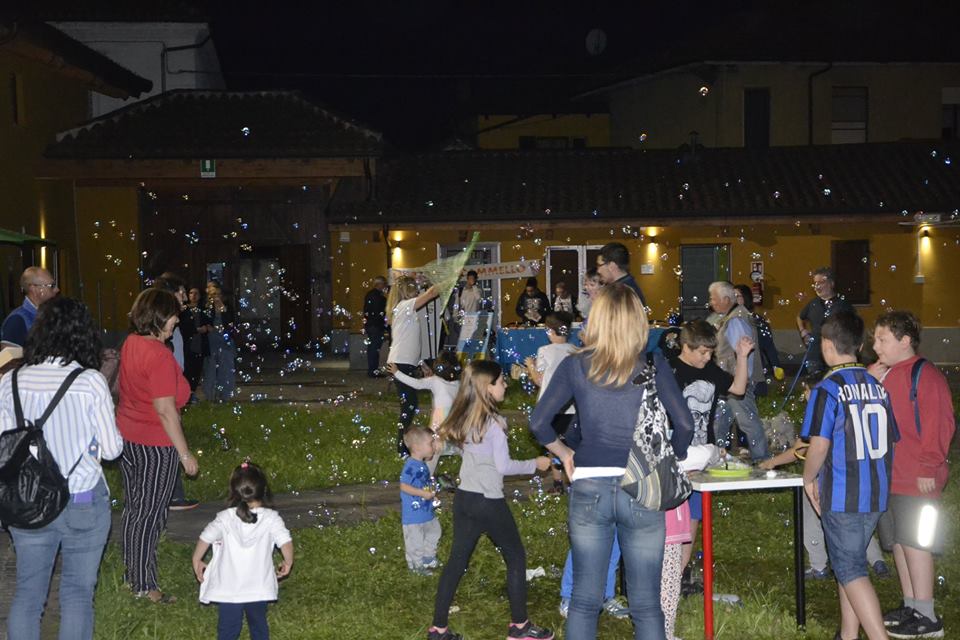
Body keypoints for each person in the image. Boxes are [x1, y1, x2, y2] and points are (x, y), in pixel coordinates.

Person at [529, 283, 695, 640]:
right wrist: (674, 457)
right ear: (638, 322)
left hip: (589, 484)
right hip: (643, 486)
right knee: (647, 603)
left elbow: (538, 422)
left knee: (585, 600)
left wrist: (564, 453)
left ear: (598, 320)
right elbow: (684, 423)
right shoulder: (653, 364)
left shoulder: (576, 365)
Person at [0, 297, 123, 640]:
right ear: (83, 335)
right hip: (82, 499)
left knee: (27, 595)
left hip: (27, 500)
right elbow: (113, 450)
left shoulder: (11, 382)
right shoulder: (89, 382)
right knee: (77, 595)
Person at [428, 360, 553, 640]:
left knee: (456, 561)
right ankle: (519, 627)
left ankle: (438, 629)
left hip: (465, 499)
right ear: (487, 387)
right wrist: (536, 462)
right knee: (516, 556)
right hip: (488, 501)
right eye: (500, 381)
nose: (505, 384)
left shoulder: (464, 419)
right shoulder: (494, 424)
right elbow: (504, 467)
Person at [801, 312, 897, 640]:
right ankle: (847, 634)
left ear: (827, 346)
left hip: (842, 493)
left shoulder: (827, 389)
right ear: (858, 345)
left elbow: (818, 445)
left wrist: (807, 478)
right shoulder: (877, 386)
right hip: (875, 493)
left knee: (852, 570)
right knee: (849, 562)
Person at [870, 311, 954, 638]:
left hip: (917, 477)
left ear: (905, 341)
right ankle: (911, 605)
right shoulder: (887, 373)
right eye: (875, 339)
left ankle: (928, 616)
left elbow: (940, 422)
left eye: (882, 339)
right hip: (891, 476)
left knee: (917, 544)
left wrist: (929, 465)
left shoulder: (925, 375)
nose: (875, 346)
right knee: (901, 544)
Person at [760, 376, 890, 582]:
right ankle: (877, 561)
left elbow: (801, 449)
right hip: (856, 477)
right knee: (857, 522)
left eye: (806, 391)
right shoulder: (846, 405)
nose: (805, 395)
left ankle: (819, 565)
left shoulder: (822, 407)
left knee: (812, 516)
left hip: (827, 476)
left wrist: (772, 463)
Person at [117, 288, 199, 603]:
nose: (176, 324)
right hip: (154, 445)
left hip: (128, 438)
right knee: (150, 515)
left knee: (134, 510)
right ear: (159, 317)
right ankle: (144, 586)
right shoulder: (159, 355)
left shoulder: (131, 343)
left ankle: (131, 575)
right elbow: (166, 411)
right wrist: (184, 454)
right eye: (173, 320)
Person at [669, 319, 753, 594]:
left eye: (710, 353)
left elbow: (738, 389)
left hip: (702, 455)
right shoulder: (669, 370)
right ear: (686, 346)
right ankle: (665, 572)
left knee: (692, 517)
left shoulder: (710, 370)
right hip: (673, 455)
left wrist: (742, 357)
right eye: (702, 352)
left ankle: (680, 573)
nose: (707, 358)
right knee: (670, 517)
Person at [192, 461, 293, 640]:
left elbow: (205, 538)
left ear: (233, 490)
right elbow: (285, 541)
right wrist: (288, 561)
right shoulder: (272, 519)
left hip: (228, 587)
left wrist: (196, 559)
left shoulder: (224, 518)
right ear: (264, 489)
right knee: (259, 626)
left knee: (227, 630)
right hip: (258, 586)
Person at [708, 281, 769, 461]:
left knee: (748, 422)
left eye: (713, 298)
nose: (711, 302)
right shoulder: (731, 316)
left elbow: (744, 352)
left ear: (726, 299)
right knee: (720, 422)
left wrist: (744, 380)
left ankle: (762, 460)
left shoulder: (735, 319)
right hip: (728, 381)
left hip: (736, 381)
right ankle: (717, 457)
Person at [154, 273, 200, 511]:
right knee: (169, 438)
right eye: (181, 292)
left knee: (170, 438)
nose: (185, 297)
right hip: (166, 397)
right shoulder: (160, 339)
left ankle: (172, 493)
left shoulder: (175, 325)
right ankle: (172, 496)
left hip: (172, 395)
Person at [386, 276, 440, 457]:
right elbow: (432, 293)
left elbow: (409, 342)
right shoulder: (404, 306)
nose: (417, 291)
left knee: (409, 405)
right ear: (407, 292)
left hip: (404, 362)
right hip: (399, 364)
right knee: (409, 405)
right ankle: (403, 448)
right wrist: (448, 277)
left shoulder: (406, 311)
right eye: (414, 288)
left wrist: (421, 364)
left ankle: (404, 447)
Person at [525, 312, 577, 494]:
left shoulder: (544, 351)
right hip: (572, 407)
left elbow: (539, 380)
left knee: (555, 447)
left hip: (550, 408)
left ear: (549, 331)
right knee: (571, 444)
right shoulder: (574, 350)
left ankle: (557, 484)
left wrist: (530, 365)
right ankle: (574, 480)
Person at [386, 350, 462, 476]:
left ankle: (424, 480)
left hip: (440, 425)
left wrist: (397, 373)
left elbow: (416, 384)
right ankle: (471, 476)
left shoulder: (435, 381)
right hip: (456, 422)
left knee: (434, 451)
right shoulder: (458, 383)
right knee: (461, 449)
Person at [796, 267, 855, 376]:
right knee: (815, 386)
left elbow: (853, 327)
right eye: (815, 283)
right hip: (814, 355)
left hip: (836, 355)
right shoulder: (813, 303)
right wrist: (803, 332)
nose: (817, 286)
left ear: (831, 283)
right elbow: (800, 317)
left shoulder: (843, 305)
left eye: (821, 282)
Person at [400, 427, 441, 575]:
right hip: (413, 514)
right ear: (417, 447)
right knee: (415, 541)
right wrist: (422, 493)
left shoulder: (422, 465)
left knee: (434, 531)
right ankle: (416, 566)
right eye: (431, 443)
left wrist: (431, 495)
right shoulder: (411, 466)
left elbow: (423, 484)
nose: (434, 446)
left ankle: (427, 557)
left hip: (425, 510)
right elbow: (404, 486)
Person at [734, 283, 783, 396]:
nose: (733, 299)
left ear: (745, 298)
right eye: (732, 296)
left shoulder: (756, 321)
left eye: (737, 296)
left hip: (754, 373)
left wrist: (776, 366)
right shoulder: (728, 320)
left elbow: (768, 345)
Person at [1, 266, 58, 349]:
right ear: (34, 289)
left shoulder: (51, 315)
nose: (57, 289)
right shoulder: (17, 320)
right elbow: (9, 359)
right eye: (52, 286)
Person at [204, 280, 237, 403]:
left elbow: (231, 322)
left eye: (218, 294)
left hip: (225, 339)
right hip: (212, 339)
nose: (215, 297)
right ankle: (210, 395)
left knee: (226, 367)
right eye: (213, 295)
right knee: (211, 367)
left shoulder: (227, 306)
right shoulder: (207, 306)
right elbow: (205, 320)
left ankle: (225, 395)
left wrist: (223, 309)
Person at [595, 242, 647, 307]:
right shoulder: (630, 287)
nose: (598, 271)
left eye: (599, 265)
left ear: (611, 266)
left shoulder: (621, 292)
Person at [184, 286, 211, 402]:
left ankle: (192, 392)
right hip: (188, 344)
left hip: (199, 344)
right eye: (191, 293)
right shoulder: (184, 310)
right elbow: (184, 326)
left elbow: (210, 323)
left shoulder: (203, 310)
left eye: (196, 293)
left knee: (197, 370)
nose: (193, 296)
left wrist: (207, 327)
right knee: (188, 370)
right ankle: (186, 393)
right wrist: (196, 330)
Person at [363, 276, 388, 377]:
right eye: (384, 284)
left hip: (370, 324)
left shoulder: (369, 294)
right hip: (376, 325)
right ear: (379, 284)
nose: (385, 286)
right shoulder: (379, 297)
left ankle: (373, 370)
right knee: (374, 348)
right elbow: (380, 312)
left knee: (372, 348)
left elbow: (367, 310)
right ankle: (373, 371)